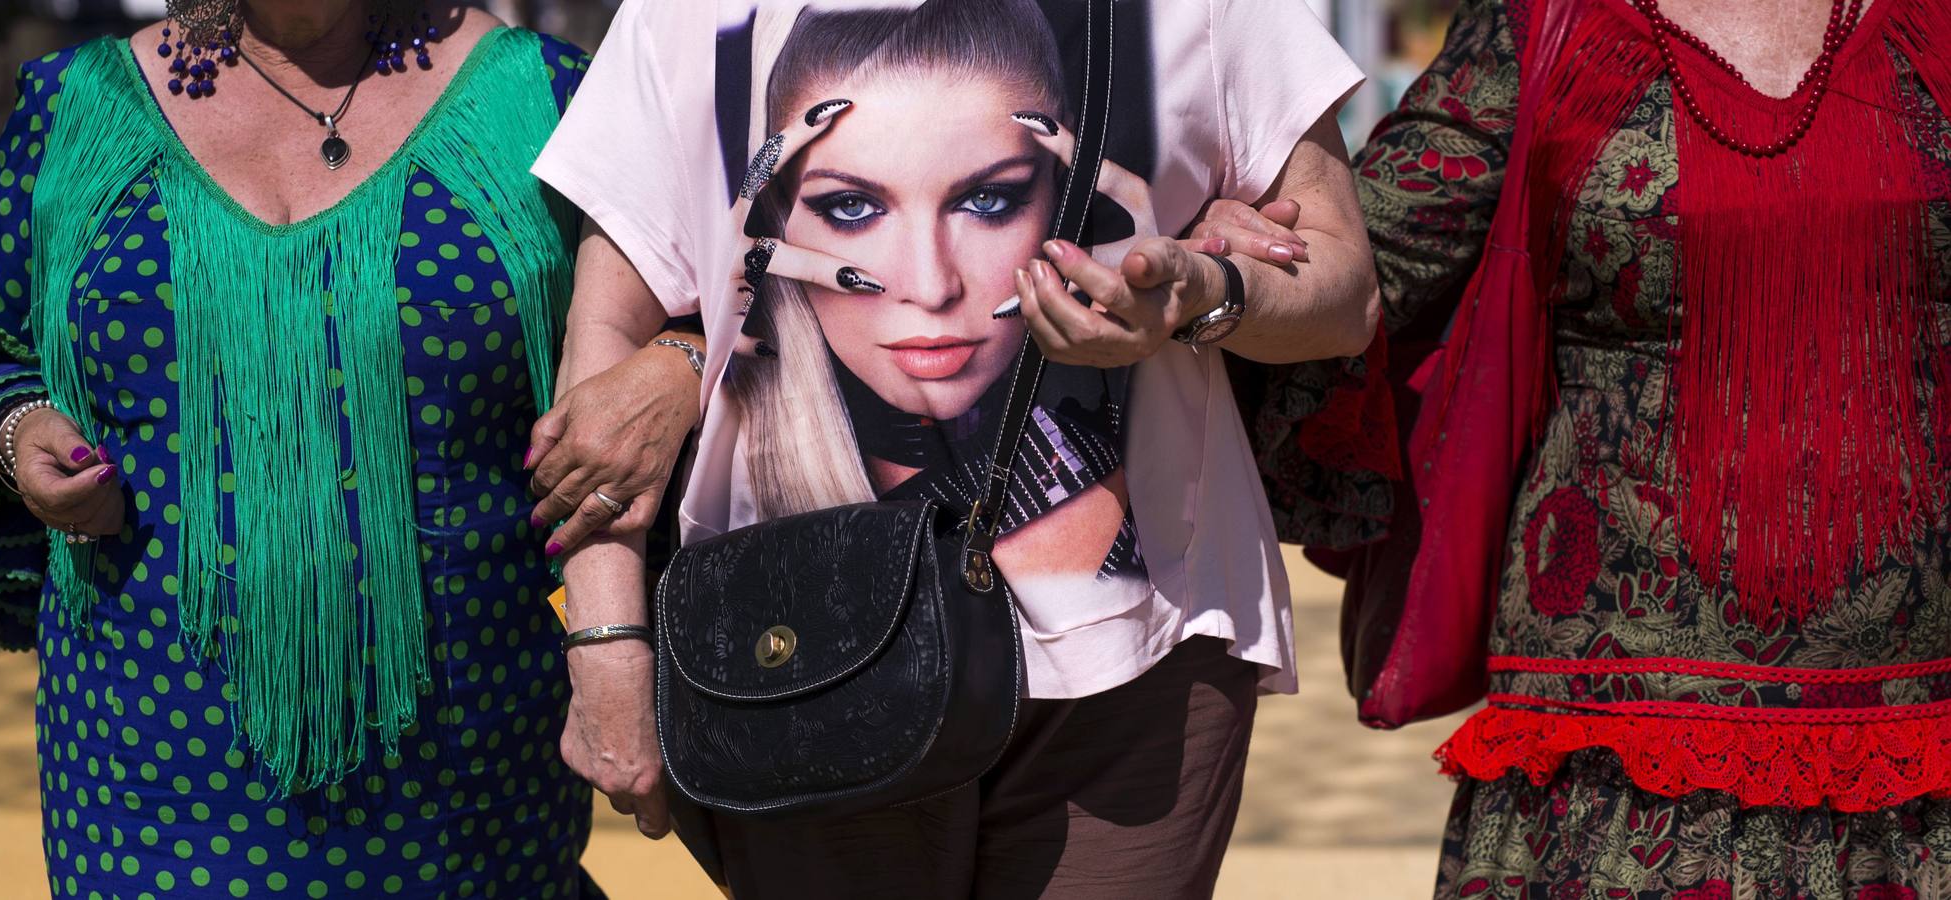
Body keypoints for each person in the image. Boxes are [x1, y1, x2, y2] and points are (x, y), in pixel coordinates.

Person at [530, 0, 1379, 896]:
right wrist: (606, 644)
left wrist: (1206, 292)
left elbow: (1345, 287)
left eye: (990, 198)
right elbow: (604, 347)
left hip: (1140, 669)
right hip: (790, 660)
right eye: (850, 206)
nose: (930, 285)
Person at [0, 0, 694, 894]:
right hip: (147, 763)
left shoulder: (542, 96)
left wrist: (679, 362)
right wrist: (17, 431)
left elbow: (700, 306)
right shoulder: (73, 106)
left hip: (468, 767)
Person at [1236, 0, 1951, 894]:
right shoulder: (1545, 22)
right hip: (1608, 752)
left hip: (1919, 750)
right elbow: (1358, 266)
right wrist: (1224, 273)